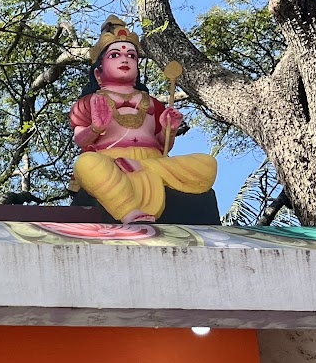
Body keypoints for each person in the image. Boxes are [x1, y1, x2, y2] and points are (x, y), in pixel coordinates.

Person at [69, 19, 217, 221]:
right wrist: (95, 128)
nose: (125, 59)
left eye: (131, 56)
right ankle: (128, 210)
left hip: (152, 160)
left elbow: (162, 144)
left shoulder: (151, 103)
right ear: (98, 72)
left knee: (207, 164)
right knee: (86, 163)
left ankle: (137, 166)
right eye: (115, 55)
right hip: (111, 161)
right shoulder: (90, 102)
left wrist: (169, 131)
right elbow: (80, 140)